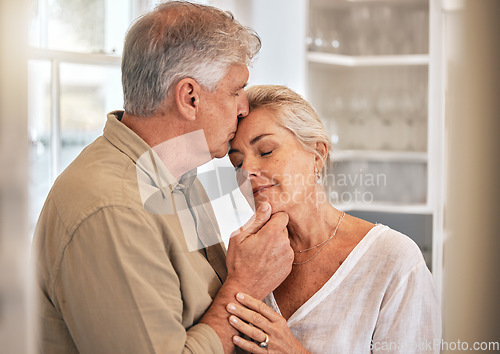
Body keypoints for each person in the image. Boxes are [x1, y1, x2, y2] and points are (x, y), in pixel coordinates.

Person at [33, 3, 294, 353]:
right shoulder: (112, 210)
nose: (244, 107)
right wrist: (246, 283)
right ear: (189, 98)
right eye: (236, 91)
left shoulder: (181, 180)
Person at [226, 85, 442, 353]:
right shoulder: (243, 261)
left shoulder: (395, 261)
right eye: (236, 163)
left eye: (266, 151)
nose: (246, 170)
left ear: (317, 155)